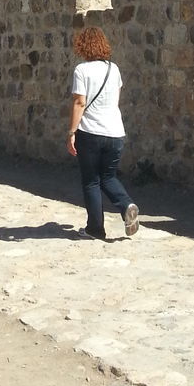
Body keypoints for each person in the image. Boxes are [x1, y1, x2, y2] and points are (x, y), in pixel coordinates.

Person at [67, 26, 139, 240]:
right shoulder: (113, 69)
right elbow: (114, 100)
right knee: (108, 176)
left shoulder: (82, 70)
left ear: (83, 46)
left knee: (91, 181)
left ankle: (95, 228)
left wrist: (71, 131)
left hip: (90, 132)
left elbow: (80, 102)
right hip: (115, 132)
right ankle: (127, 205)